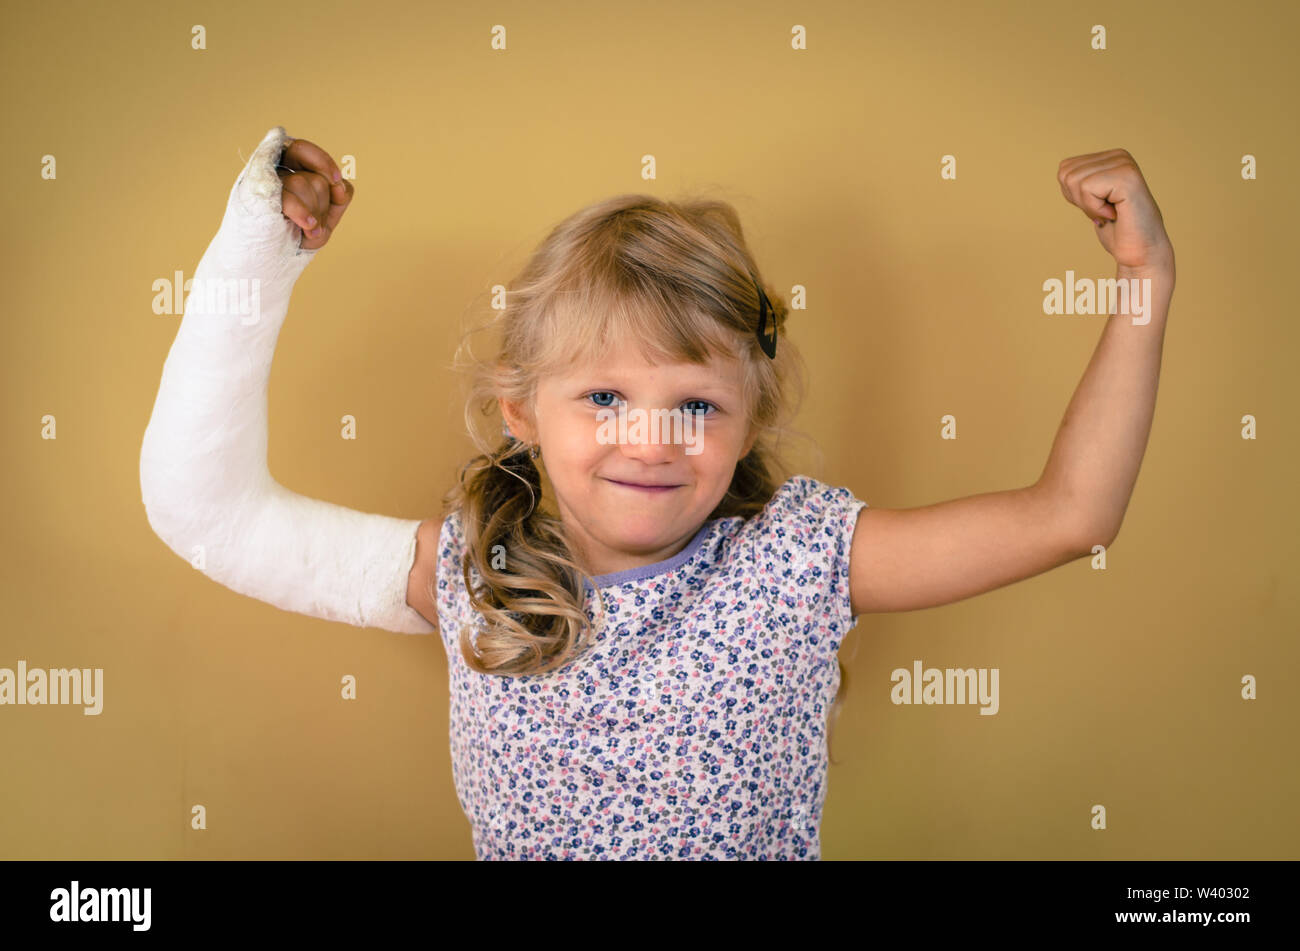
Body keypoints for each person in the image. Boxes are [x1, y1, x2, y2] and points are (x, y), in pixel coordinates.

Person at [140, 126, 1176, 860]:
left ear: (748, 423)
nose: (648, 440)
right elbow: (207, 510)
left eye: (695, 404)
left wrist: (1140, 281)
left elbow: (1070, 515)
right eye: (601, 394)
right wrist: (257, 248)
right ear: (520, 411)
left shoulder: (797, 558)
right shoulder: (469, 571)